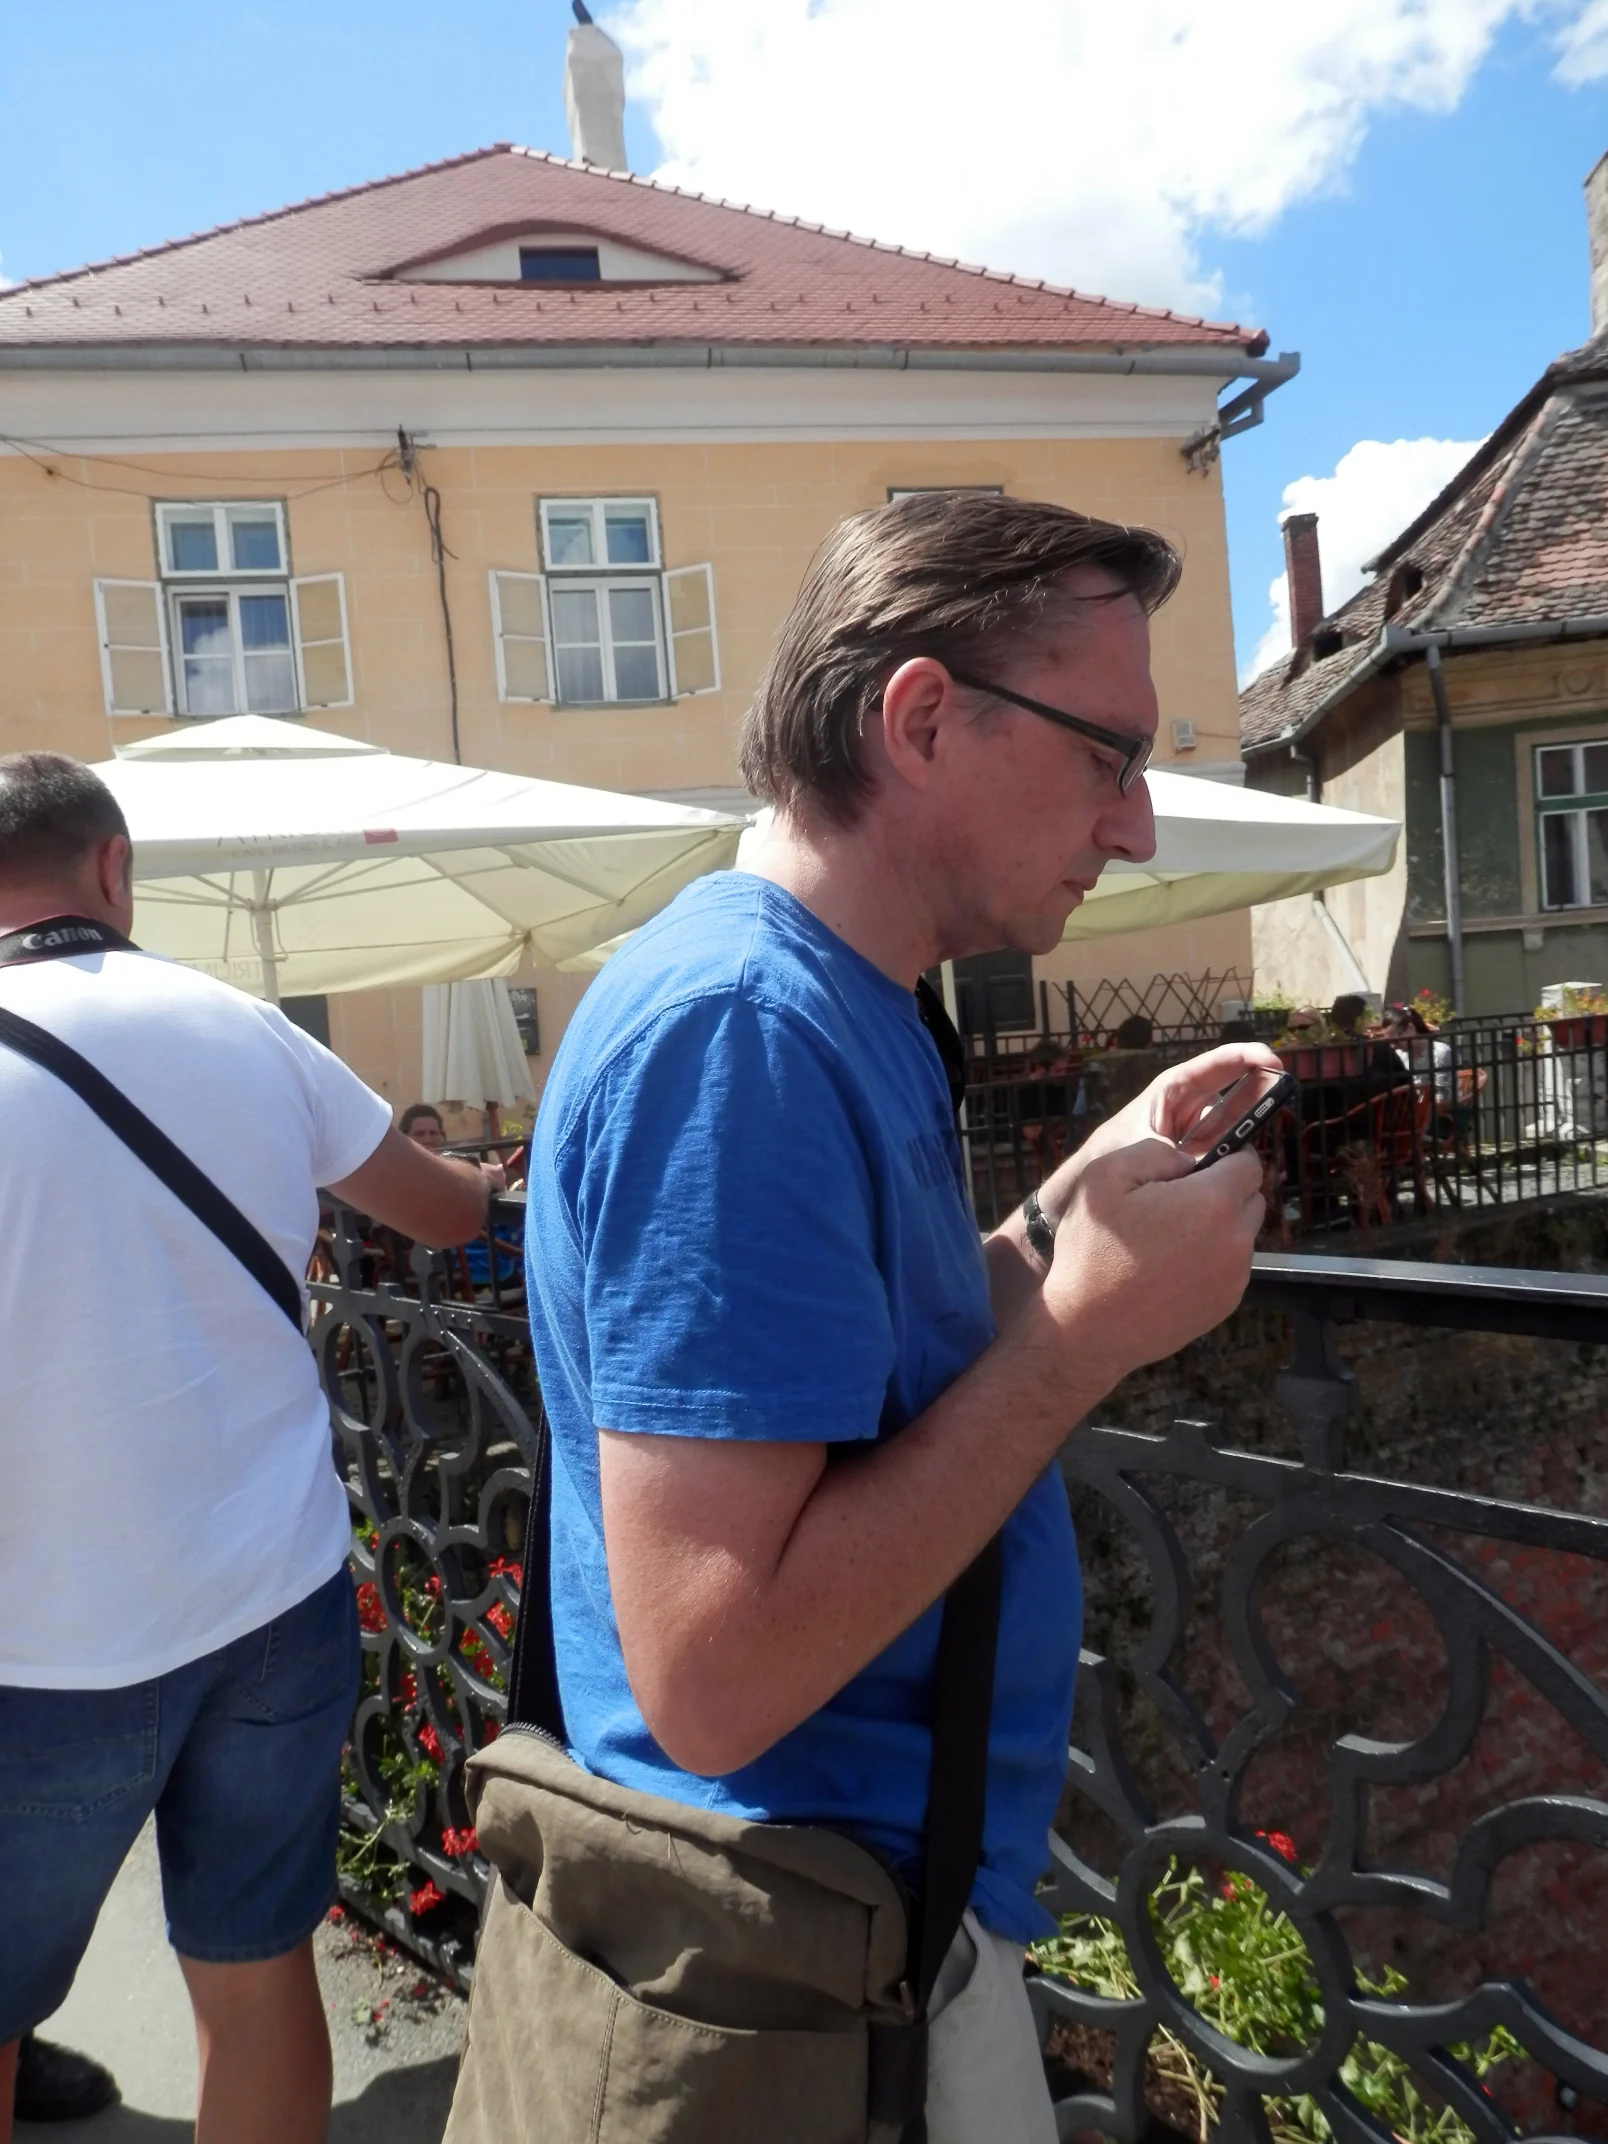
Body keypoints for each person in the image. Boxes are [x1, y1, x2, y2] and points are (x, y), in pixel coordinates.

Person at [458, 494, 1275, 2140]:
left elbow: (867, 1366)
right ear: (921, 720)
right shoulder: (742, 1032)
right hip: (795, 1953)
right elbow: (713, 1672)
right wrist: (1080, 1341)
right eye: (1110, 756)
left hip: (845, 1917)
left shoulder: (836, 997)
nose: (1135, 828)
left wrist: (1060, 1219)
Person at [0, 754, 494, 2144]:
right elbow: (449, 1215)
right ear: (113, 868)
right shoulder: (242, 1025)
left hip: (39, 1638)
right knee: (258, 1970)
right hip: (271, 1600)